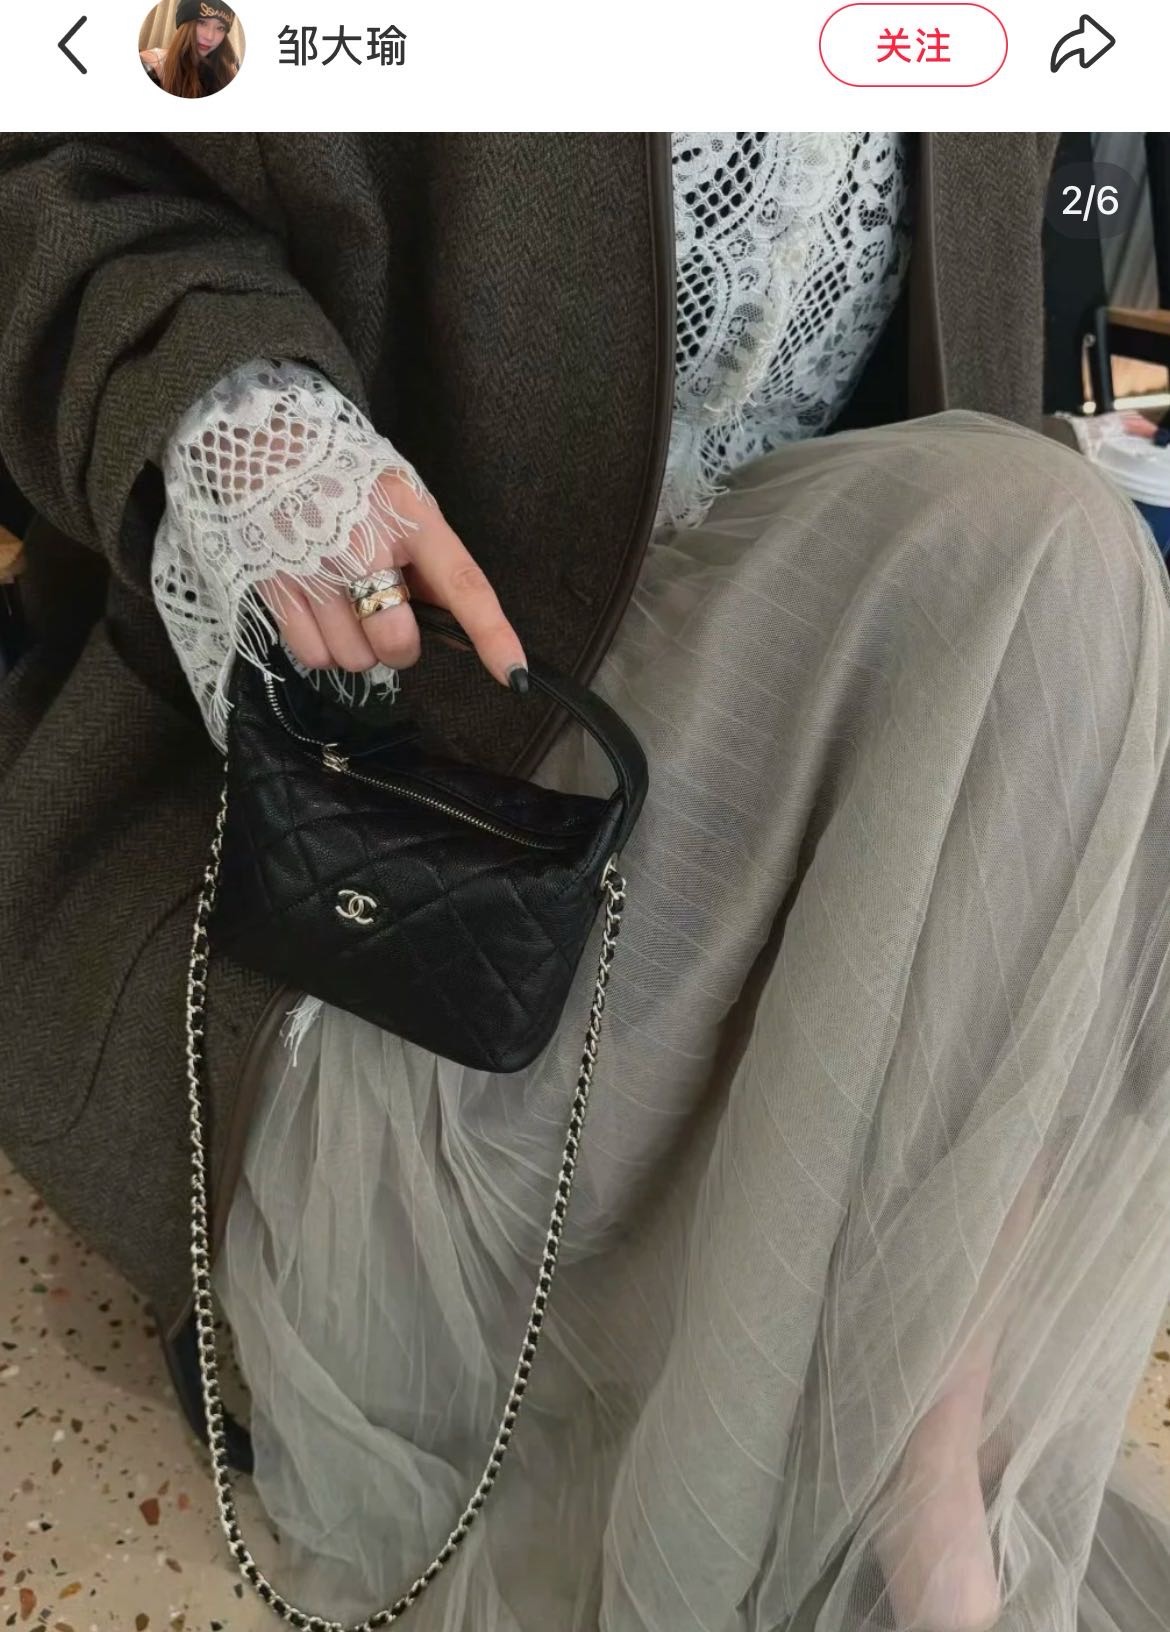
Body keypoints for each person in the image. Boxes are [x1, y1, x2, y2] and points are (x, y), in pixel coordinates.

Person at [1, 132, 1170, 1632]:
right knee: (1046, 541)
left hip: (783, 785)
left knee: (1057, 565)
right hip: (407, 811)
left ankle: (922, 1456)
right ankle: (894, 1455)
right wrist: (244, 419)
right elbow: (57, 166)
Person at [141, 0, 239, 98]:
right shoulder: (151, 65)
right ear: (183, 25)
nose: (209, 37)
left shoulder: (230, 67)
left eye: (220, 28)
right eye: (202, 22)